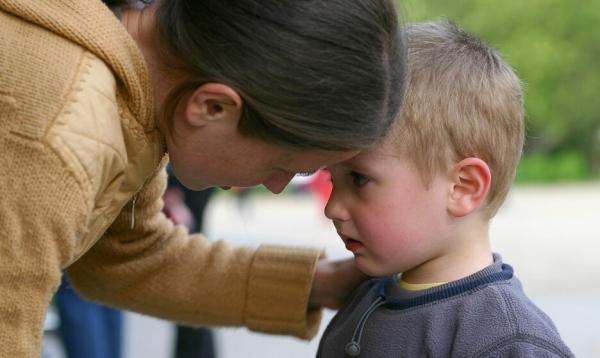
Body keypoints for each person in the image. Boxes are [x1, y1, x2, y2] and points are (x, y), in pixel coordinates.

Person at [0, 0, 405, 356]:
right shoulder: (59, 135)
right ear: (213, 107)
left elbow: (127, 255)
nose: (278, 185)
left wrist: (320, 284)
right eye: (284, 167)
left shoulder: (137, 97)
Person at [318, 21, 574, 357]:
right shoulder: (363, 298)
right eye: (332, 179)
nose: (332, 208)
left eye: (359, 180)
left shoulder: (508, 341)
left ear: (462, 187)